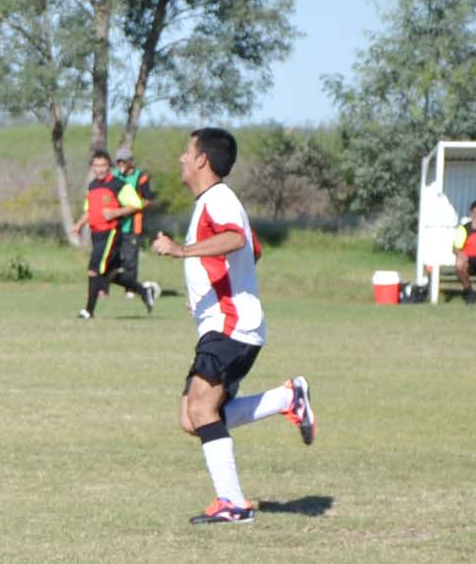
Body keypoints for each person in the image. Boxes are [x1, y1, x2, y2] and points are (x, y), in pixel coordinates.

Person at [149, 127, 314, 526]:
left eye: (187, 152)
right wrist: (210, 287)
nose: (182, 159)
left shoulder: (218, 199)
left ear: (203, 159)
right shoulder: (212, 201)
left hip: (231, 327)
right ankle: (287, 398)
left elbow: (237, 240)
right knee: (192, 418)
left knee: (202, 407)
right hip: (224, 323)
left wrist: (181, 251)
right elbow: (251, 249)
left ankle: (233, 503)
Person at [80, 150, 153, 318]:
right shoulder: (92, 186)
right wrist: (78, 225)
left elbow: (136, 204)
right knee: (108, 275)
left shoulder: (118, 184)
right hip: (96, 234)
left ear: (109, 166)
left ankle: (88, 311)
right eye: (96, 165)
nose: (100, 169)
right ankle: (144, 291)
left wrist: (115, 213)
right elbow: (89, 210)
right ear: (92, 167)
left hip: (111, 233)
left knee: (94, 269)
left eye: (103, 165)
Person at [111, 142, 162, 308]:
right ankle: (104, 288)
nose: (121, 165)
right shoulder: (113, 176)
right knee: (111, 257)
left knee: (130, 259)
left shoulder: (141, 177)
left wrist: (132, 207)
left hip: (133, 224)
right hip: (115, 224)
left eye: (123, 161)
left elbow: (148, 200)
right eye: (118, 162)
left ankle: (130, 289)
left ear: (131, 161)